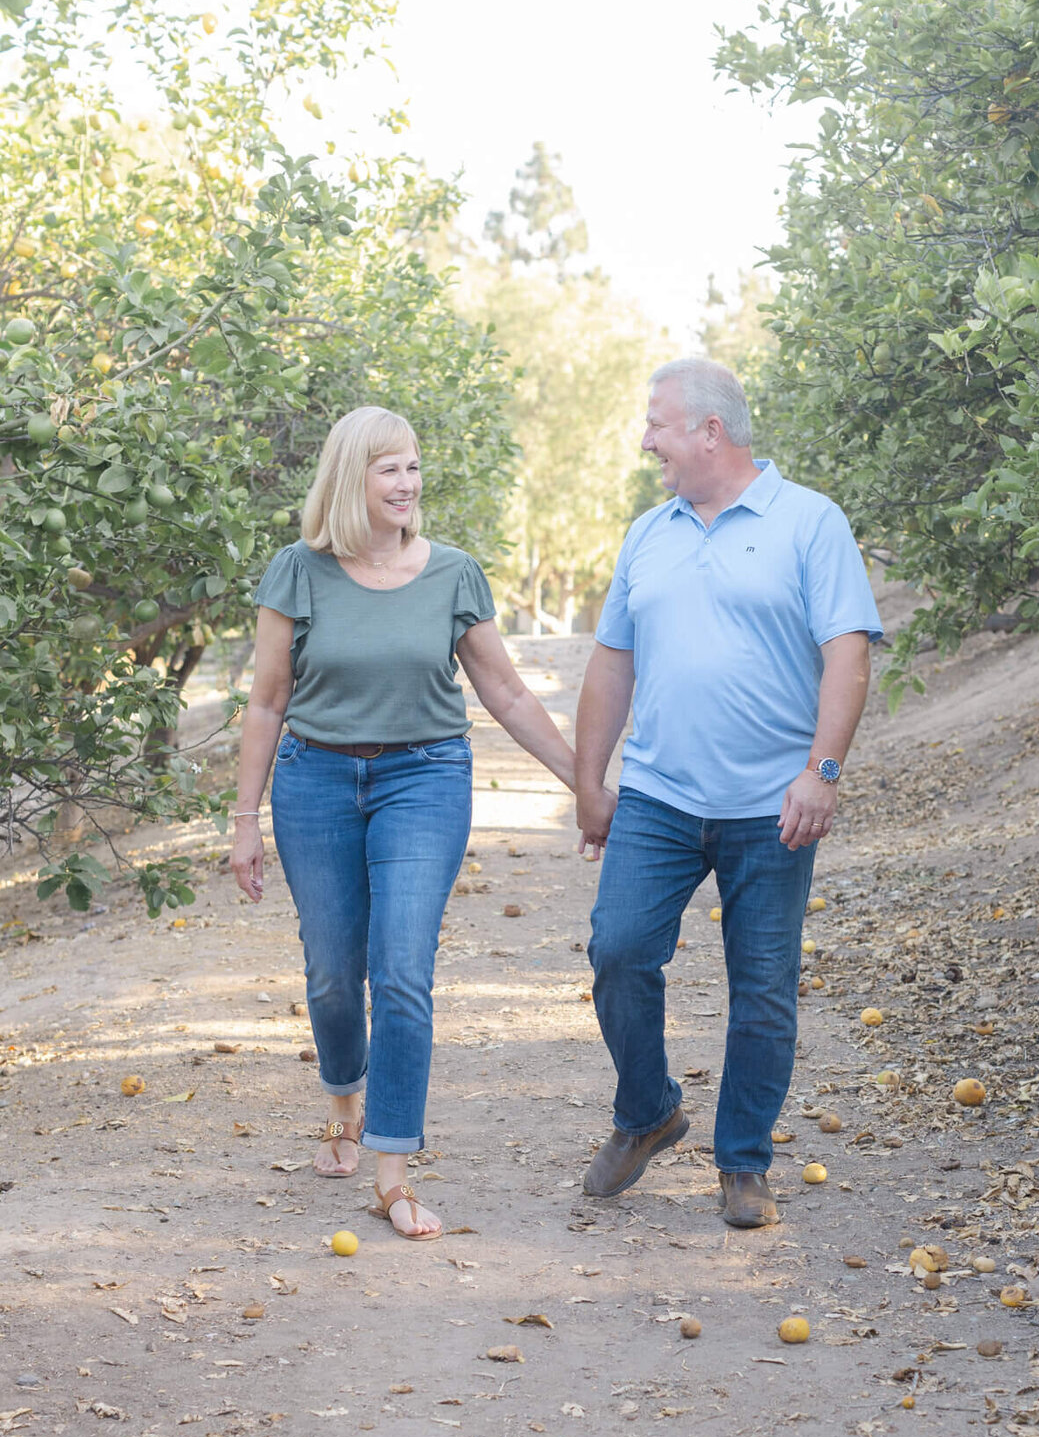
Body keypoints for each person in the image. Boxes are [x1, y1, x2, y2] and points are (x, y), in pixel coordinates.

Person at [231, 405, 575, 1240]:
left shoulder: (452, 572)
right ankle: (343, 1096)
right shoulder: (298, 571)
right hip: (314, 781)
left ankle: (391, 1168)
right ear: (352, 477)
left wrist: (583, 780)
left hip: (424, 780)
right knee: (330, 971)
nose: (408, 482)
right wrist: (244, 816)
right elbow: (268, 699)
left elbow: (505, 691)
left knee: (403, 971)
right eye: (389, 467)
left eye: (414, 466)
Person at [575, 359, 881, 1229]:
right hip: (660, 797)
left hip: (770, 805)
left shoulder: (810, 522)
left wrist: (821, 771)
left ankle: (743, 1161)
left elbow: (847, 653)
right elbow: (612, 661)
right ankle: (648, 1113)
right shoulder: (649, 533)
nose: (646, 442)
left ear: (710, 430)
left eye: (657, 424)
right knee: (618, 951)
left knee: (764, 988)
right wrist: (589, 782)